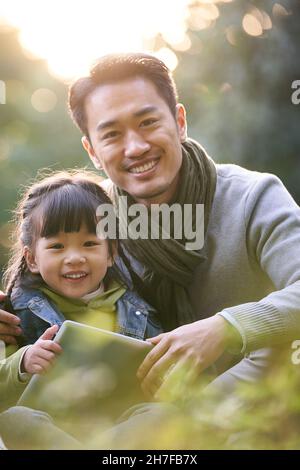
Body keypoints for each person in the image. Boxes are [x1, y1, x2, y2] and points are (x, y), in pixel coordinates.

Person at [1, 52, 300, 399]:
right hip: (131, 418)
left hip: (250, 407)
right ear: (93, 151)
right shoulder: (90, 221)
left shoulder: (253, 196)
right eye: (111, 134)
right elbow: (42, 292)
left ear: (179, 121)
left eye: (148, 123)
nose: (136, 147)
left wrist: (224, 328)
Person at [0, 169, 163, 448]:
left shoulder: (138, 311)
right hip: (50, 428)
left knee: (162, 415)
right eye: (57, 246)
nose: (74, 258)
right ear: (32, 258)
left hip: (114, 429)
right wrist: (23, 363)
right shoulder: (15, 313)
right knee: (13, 419)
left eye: (89, 244)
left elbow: (162, 373)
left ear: (111, 252)